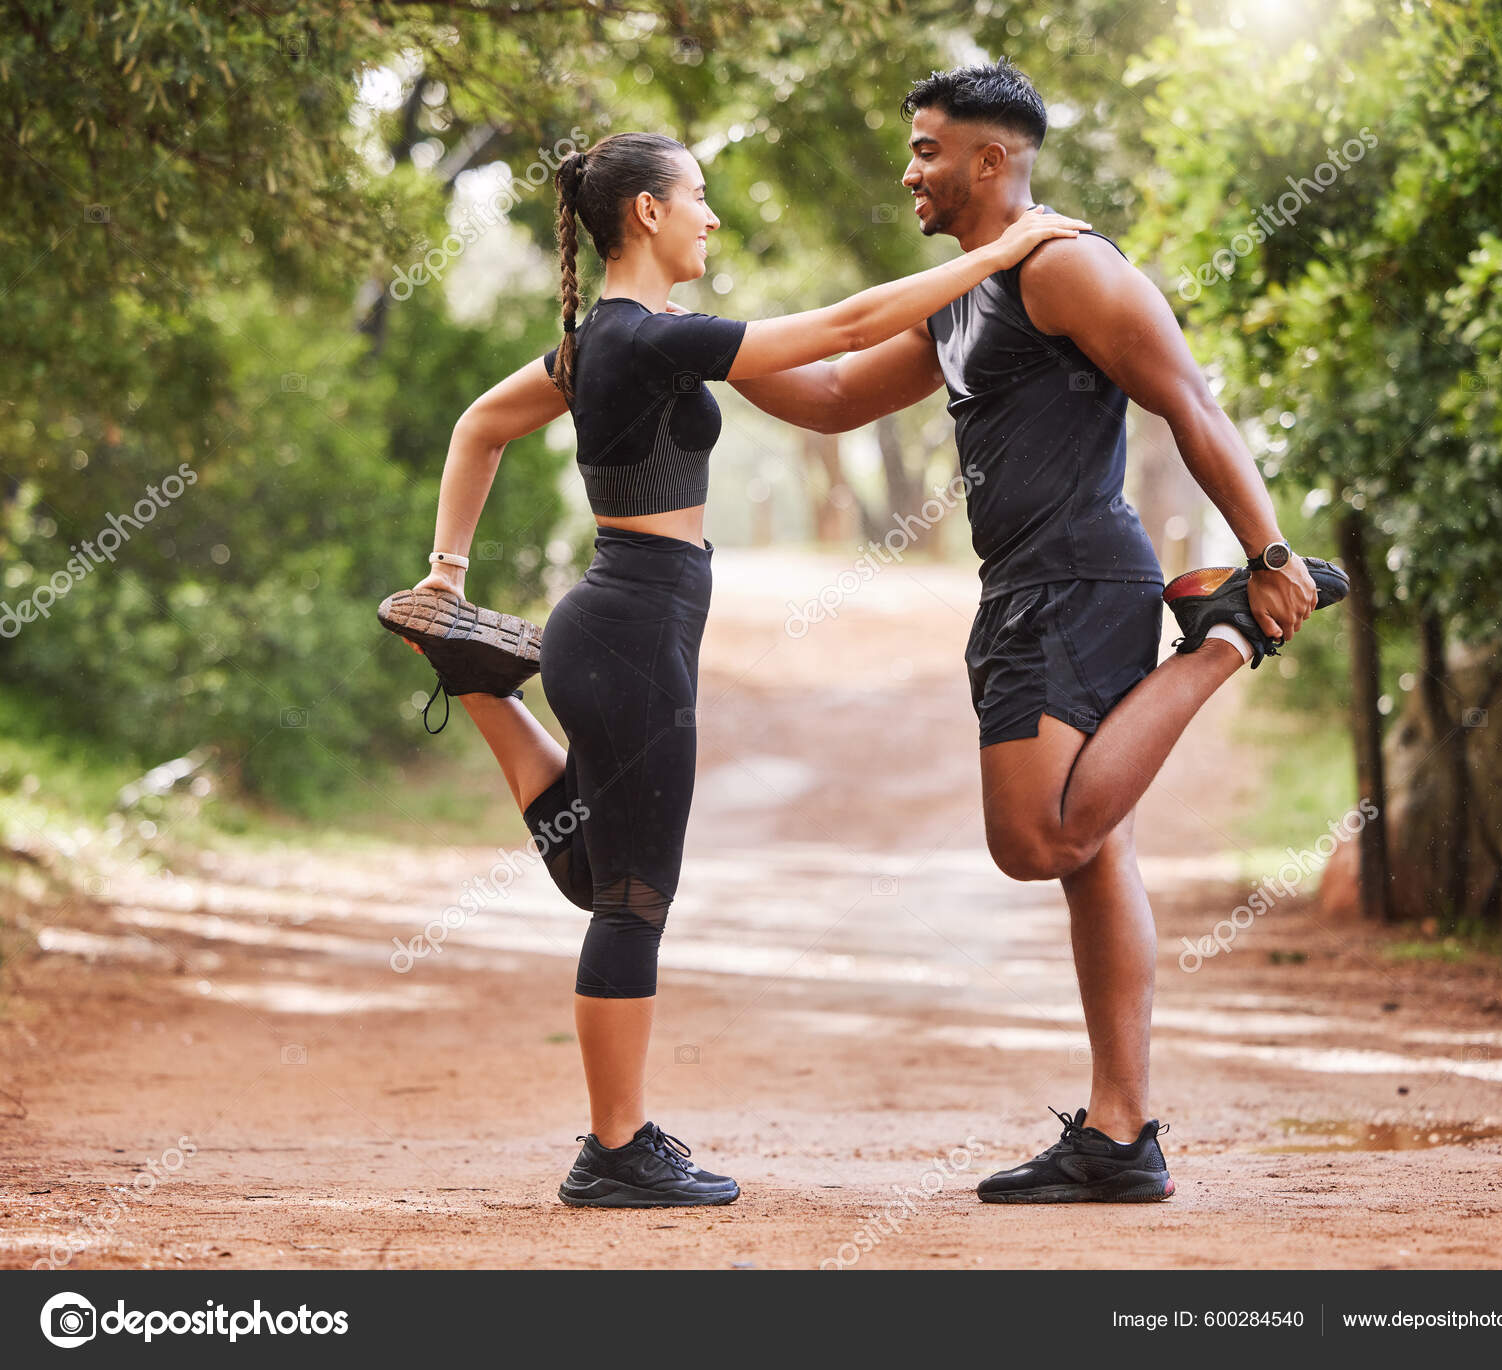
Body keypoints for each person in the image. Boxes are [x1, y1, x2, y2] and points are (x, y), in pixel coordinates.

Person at [377, 130, 1090, 1208]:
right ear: (648, 215)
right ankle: (614, 1150)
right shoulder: (648, 338)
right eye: (698, 199)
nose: (712, 217)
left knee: (594, 872)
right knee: (628, 900)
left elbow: (480, 426)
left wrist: (446, 569)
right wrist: (1002, 253)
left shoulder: (603, 342)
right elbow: (847, 326)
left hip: (615, 629)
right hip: (632, 634)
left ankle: (480, 684)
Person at [731, 61, 1349, 1203]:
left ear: (988, 159)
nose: (909, 169)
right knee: (1093, 846)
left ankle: (1219, 640)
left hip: (1075, 581)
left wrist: (1264, 557)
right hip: (1024, 585)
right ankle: (1121, 1134)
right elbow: (826, 395)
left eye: (925, 149)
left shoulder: (1067, 267)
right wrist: (692, 343)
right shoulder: (967, 290)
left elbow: (1189, 399)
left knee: (1036, 840)